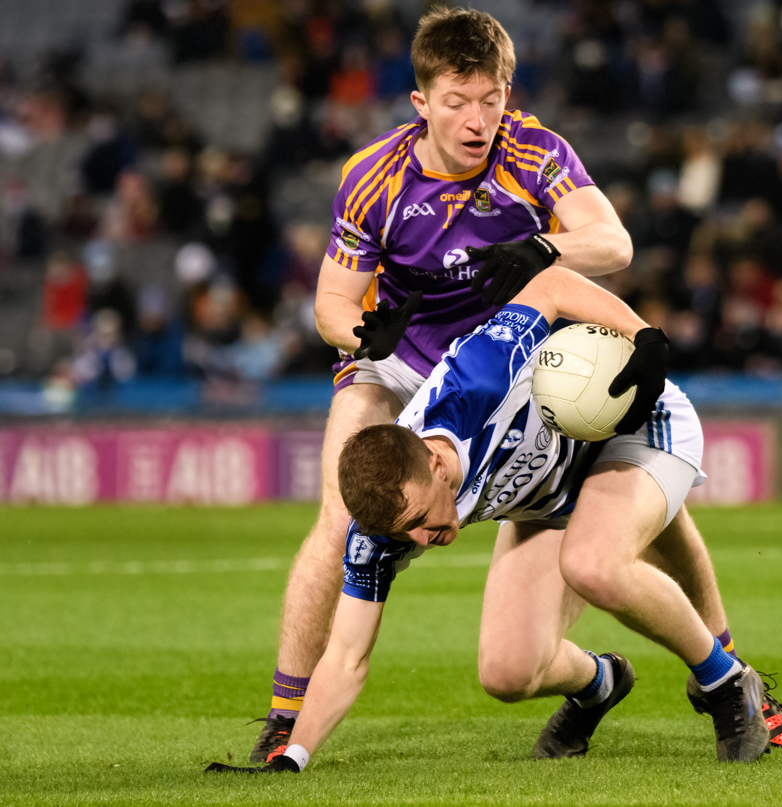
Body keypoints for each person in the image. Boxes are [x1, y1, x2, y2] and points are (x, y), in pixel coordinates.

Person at [208, 266, 782, 775]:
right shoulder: (382, 531)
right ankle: (600, 684)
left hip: (635, 424)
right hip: (547, 495)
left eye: (422, 519)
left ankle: (727, 683)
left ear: (438, 464)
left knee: (593, 564)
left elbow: (548, 285)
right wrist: (295, 757)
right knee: (506, 673)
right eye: (406, 535)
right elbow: (345, 656)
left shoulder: (479, 377)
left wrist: (645, 335)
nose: (422, 540)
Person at [247, 5, 634, 761]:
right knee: (338, 515)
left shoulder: (534, 153)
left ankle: (724, 668)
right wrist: (360, 334)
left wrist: (539, 246)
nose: (476, 118)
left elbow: (612, 242)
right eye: (457, 102)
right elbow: (329, 301)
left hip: (498, 359)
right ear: (421, 102)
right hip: (396, 355)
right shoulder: (373, 178)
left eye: (490, 99)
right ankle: (285, 717)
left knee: (636, 462)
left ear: (507, 95)